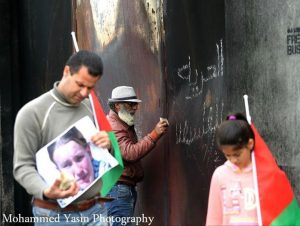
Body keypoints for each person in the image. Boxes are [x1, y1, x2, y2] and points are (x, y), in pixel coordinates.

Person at [13, 50, 111, 226]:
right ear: (66, 71)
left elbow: (104, 152)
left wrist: (107, 144)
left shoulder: (91, 107)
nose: (84, 93)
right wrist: (46, 191)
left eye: (90, 87)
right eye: (80, 84)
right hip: (55, 216)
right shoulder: (32, 113)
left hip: (97, 211)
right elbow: (22, 167)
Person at [105, 86, 169, 226]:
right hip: (119, 189)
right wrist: (154, 134)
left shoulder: (120, 121)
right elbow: (129, 153)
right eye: (130, 104)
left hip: (121, 188)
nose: (135, 108)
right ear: (117, 105)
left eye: (135, 104)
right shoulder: (114, 125)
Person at [206, 113, 258, 226]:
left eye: (237, 154)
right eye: (228, 155)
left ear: (250, 144)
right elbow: (213, 218)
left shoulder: (263, 172)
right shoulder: (220, 175)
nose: (233, 160)